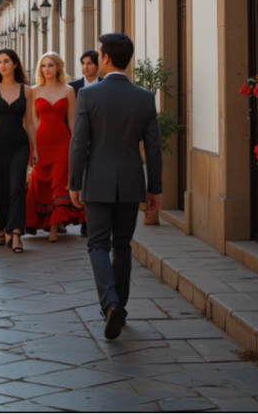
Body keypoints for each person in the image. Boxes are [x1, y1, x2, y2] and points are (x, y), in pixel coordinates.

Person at [69, 33, 162, 340]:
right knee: (122, 246)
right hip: (132, 181)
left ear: (105, 58)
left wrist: (74, 183)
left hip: (96, 180)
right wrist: (155, 190)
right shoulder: (145, 97)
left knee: (97, 244)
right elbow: (153, 149)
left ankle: (110, 303)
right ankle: (119, 306)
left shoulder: (88, 96)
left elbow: (79, 145)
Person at [0, 49, 37, 254]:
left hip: (20, 144)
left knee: (18, 186)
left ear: (15, 64)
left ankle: (16, 232)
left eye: (6, 61)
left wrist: (35, 147)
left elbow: (29, 122)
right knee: (0, 188)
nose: (2, 65)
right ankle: (2, 227)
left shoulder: (26, 90)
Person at [27, 53, 84, 241]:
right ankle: (55, 223)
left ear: (58, 67)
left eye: (50, 65)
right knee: (42, 182)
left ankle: (53, 230)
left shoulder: (68, 90)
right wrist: (34, 145)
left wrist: (77, 143)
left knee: (59, 183)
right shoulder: (34, 90)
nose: (46, 69)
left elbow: (72, 120)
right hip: (41, 140)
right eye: (43, 66)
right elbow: (33, 119)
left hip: (62, 142)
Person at [67, 49, 102, 238]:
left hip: (99, 140)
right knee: (79, 179)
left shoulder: (105, 85)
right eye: (83, 63)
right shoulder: (73, 87)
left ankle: (90, 221)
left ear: (98, 65)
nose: (85, 67)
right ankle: (83, 221)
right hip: (78, 138)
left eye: (89, 63)